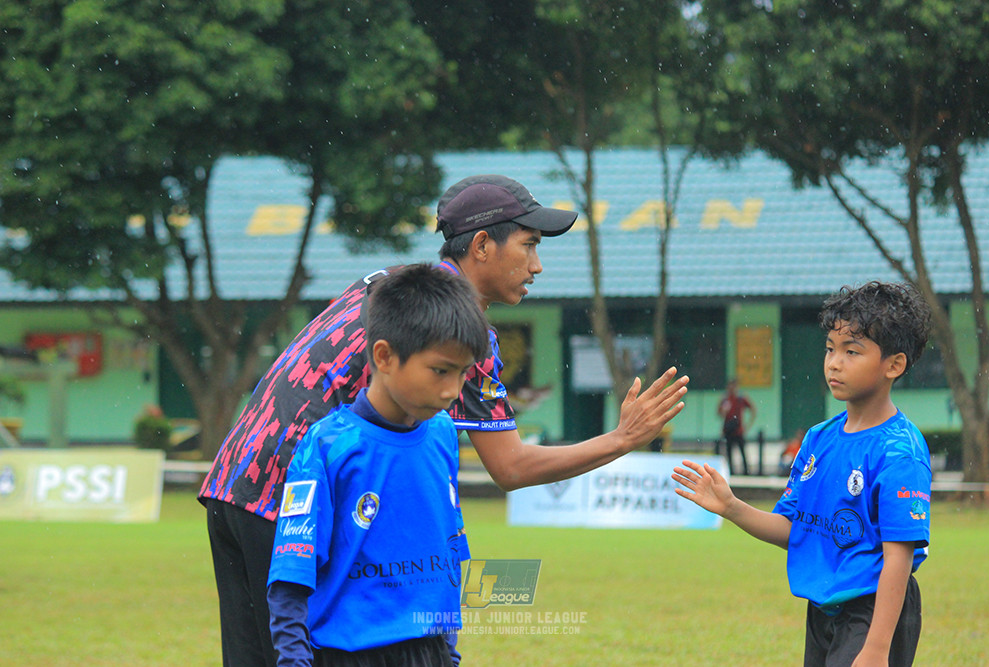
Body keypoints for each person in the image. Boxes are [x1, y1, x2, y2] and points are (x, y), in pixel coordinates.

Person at [198, 174, 690, 667]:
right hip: (289, 509)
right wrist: (623, 438)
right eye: (529, 246)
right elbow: (511, 467)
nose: (537, 266)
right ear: (481, 245)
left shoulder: (389, 284)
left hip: (232, 482)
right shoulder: (456, 330)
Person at [672, 281, 932, 667]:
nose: (834, 362)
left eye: (852, 351)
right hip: (822, 609)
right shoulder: (818, 439)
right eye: (830, 348)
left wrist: (877, 647)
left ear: (894, 365)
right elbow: (797, 530)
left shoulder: (899, 452)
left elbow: (899, 558)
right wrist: (730, 507)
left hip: (873, 611)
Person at [267, 264, 488, 667]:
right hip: (348, 654)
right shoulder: (328, 446)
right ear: (384, 356)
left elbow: (450, 548)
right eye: (440, 370)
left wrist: (448, 651)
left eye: (462, 373)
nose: (452, 390)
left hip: (428, 651)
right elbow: (290, 575)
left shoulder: (442, 435)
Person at [717, 377, 755, 475]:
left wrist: (748, 425)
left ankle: (746, 472)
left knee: (742, 451)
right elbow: (719, 413)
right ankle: (731, 472)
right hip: (728, 429)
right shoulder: (725, 399)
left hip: (738, 430)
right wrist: (724, 411)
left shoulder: (741, 399)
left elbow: (752, 410)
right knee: (729, 452)